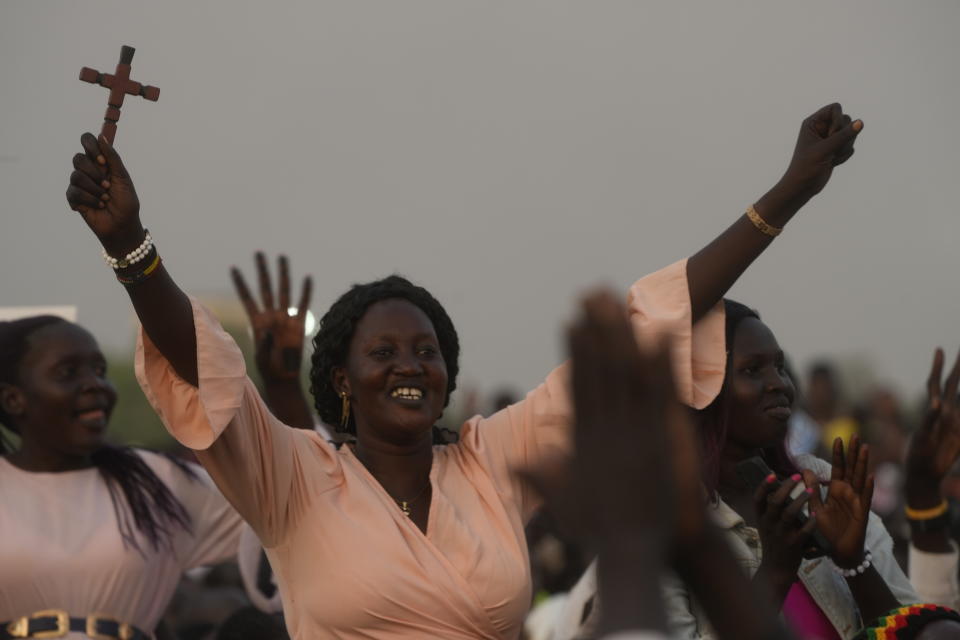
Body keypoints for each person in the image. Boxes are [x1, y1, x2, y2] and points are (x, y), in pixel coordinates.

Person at [65, 101, 861, 638]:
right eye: (384, 353)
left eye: (428, 352)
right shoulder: (296, 478)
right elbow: (207, 372)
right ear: (341, 377)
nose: (411, 366)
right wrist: (130, 246)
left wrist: (788, 193)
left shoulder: (490, 460)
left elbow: (649, 319)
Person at [0, 316, 244, 640]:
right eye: (68, 373)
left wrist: (283, 393)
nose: (95, 384)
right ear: (13, 399)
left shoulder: (156, 482)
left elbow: (291, 515)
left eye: (99, 371)